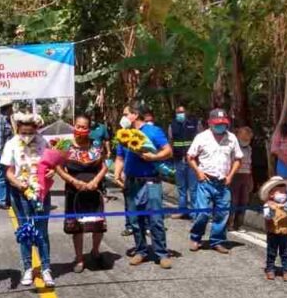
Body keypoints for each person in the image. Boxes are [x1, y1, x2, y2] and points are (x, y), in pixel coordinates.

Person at [114, 103, 173, 268]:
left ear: (134, 114)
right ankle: (141, 251)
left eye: (126, 114)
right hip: (132, 183)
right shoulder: (124, 135)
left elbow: (168, 151)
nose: (123, 117)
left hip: (151, 182)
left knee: (155, 219)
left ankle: (162, 253)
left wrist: (153, 158)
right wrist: (117, 174)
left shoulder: (153, 131)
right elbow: (119, 158)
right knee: (135, 220)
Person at [2, 112, 55, 287]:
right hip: (20, 194)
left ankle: (46, 268)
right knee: (25, 231)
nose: (26, 136)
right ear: (18, 129)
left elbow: (51, 165)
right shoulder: (11, 144)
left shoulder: (43, 143)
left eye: (30, 132)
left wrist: (51, 172)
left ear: (36, 129)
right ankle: (28, 268)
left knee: (41, 231)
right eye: (23, 132)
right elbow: (8, 172)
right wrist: (19, 184)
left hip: (41, 192)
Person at [56, 114, 109, 272]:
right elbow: (58, 168)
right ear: (74, 126)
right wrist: (73, 181)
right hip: (74, 192)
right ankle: (79, 259)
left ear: (89, 129)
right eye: (78, 126)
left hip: (94, 190)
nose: (80, 129)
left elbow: (106, 165)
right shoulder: (64, 145)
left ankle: (95, 251)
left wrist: (96, 181)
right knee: (77, 227)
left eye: (84, 127)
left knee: (98, 225)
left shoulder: (96, 145)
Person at [187, 109, 243, 254]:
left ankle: (217, 241)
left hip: (223, 183)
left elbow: (238, 159)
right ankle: (196, 238)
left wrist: (230, 176)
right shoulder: (201, 137)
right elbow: (190, 157)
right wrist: (198, 171)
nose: (220, 126)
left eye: (223, 124)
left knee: (222, 214)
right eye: (217, 124)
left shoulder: (232, 138)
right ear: (210, 123)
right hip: (205, 181)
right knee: (203, 213)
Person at [259, 177, 287, 281]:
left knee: (285, 253)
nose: (283, 194)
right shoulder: (267, 205)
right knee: (271, 252)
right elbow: (267, 217)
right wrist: (272, 210)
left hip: (285, 233)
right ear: (271, 194)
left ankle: (286, 271)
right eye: (280, 192)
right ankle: (270, 269)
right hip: (272, 232)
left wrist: (285, 207)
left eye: (285, 192)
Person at [168, 106, 202, 219]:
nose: (180, 114)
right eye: (178, 112)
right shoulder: (172, 125)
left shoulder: (195, 123)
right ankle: (182, 211)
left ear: (186, 112)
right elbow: (171, 142)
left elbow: (201, 140)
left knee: (193, 189)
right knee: (181, 189)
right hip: (178, 160)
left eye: (182, 112)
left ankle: (194, 213)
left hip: (192, 161)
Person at [229, 126, 254, 232]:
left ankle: (238, 224)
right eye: (244, 138)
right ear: (238, 136)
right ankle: (229, 223)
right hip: (235, 175)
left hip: (246, 175)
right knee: (232, 201)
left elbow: (250, 164)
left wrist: (250, 178)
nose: (246, 140)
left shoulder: (249, 148)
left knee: (243, 201)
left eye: (248, 139)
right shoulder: (232, 147)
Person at [0, 100, 15, 210]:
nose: (12, 109)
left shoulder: (7, 119)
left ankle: (7, 199)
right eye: (11, 107)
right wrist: (2, 157)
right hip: (3, 153)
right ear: (8, 108)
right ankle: (1, 201)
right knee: (1, 176)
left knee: (8, 175)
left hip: (8, 153)